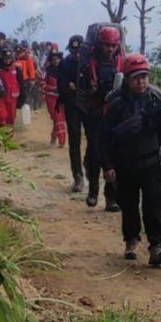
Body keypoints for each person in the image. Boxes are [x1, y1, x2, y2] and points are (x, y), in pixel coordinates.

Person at [101, 54, 161, 266]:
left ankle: (157, 246)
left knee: (154, 205)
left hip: (151, 163)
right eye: (136, 78)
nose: (141, 82)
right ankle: (131, 239)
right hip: (124, 165)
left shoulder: (158, 101)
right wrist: (107, 165)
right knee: (129, 205)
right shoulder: (115, 105)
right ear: (127, 79)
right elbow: (104, 138)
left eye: (144, 77)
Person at [76, 26, 123, 211]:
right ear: (99, 44)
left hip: (116, 115)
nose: (109, 49)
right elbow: (81, 92)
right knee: (95, 154)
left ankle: (111, 197)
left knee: (115, 155)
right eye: (106, 45)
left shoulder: (123, 63)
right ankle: (93, 191)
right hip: (95, 113)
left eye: (112, 46)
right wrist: (94, 91)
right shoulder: (89, 65)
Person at [57, 35, 88, 192]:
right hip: (72, 106)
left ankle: (88, 164)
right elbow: (60, 85)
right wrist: (68, 87)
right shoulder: (65, 63)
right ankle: (77, 176)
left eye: (79, 51)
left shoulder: (90, 63)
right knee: (74, 142)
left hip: (89, 106)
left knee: (94, 141)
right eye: (74, 50)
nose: (76, 54)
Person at [0, 47, 26, 131]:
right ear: (2, 58)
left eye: (9, 59)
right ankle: (1, 135)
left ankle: (9, 139)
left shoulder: (16, 69)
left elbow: (21, 84)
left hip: (13, 98)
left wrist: (23, 98)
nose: (7, 61)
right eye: (5, 59)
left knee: (11, 118)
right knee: (2, 116)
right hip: (1, 97)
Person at [42, 49, 66, 147]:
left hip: (62, 98)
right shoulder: (47, 71)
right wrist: (52, 88)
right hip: (51, 99)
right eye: (54, 59)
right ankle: (62, 141)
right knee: (58, 119)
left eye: (58, 59)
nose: (56, 61)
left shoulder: (65, 70)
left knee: (59, 120)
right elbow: (42, 84)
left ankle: (53, 136)